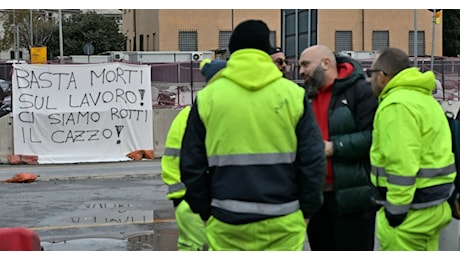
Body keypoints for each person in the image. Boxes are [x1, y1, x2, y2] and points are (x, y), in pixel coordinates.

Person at [180, 19, 326, 251]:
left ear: (232, 51)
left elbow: (191, 164)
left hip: (227, 221)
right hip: (284, 221)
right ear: (265, 51)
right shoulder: (293, 95)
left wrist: (205, 212)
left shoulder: (209, 97)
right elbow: (313, 160)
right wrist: (307, 211)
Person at [368, 47, 456, 251]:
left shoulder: (396, 105)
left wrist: (395, 212)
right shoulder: (424, 99)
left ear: (382, 76)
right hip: (434, 205)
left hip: (409, 214)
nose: (370, 80)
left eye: (371, 74)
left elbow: (402, 164)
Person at [298, 44, 378, 251]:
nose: (301, 71)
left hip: (353, 199)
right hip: (316, 198)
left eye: (305, 64)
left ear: (326, 63)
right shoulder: (304, 96)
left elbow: (374, 136)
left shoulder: (360, 91)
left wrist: (335, 147)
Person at [160, 58, 227, 251]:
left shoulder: (191, 113)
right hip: (194, 201)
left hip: (193, 200)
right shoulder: (197, 114)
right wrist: (183, 198)